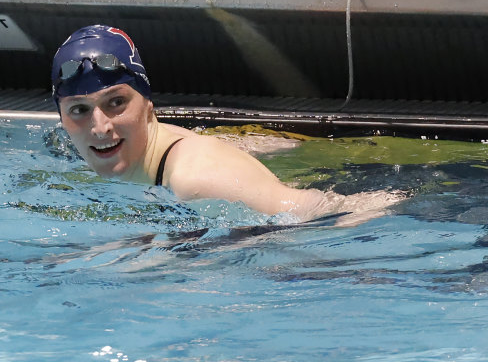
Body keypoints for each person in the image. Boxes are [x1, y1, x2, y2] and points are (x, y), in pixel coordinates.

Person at [52, 25, 401, 224]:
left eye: (116, 103)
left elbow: (343, 209)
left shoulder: (196, 180)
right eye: (79, 110)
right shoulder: (138, 157)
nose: (99, 127)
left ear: (148, 105)